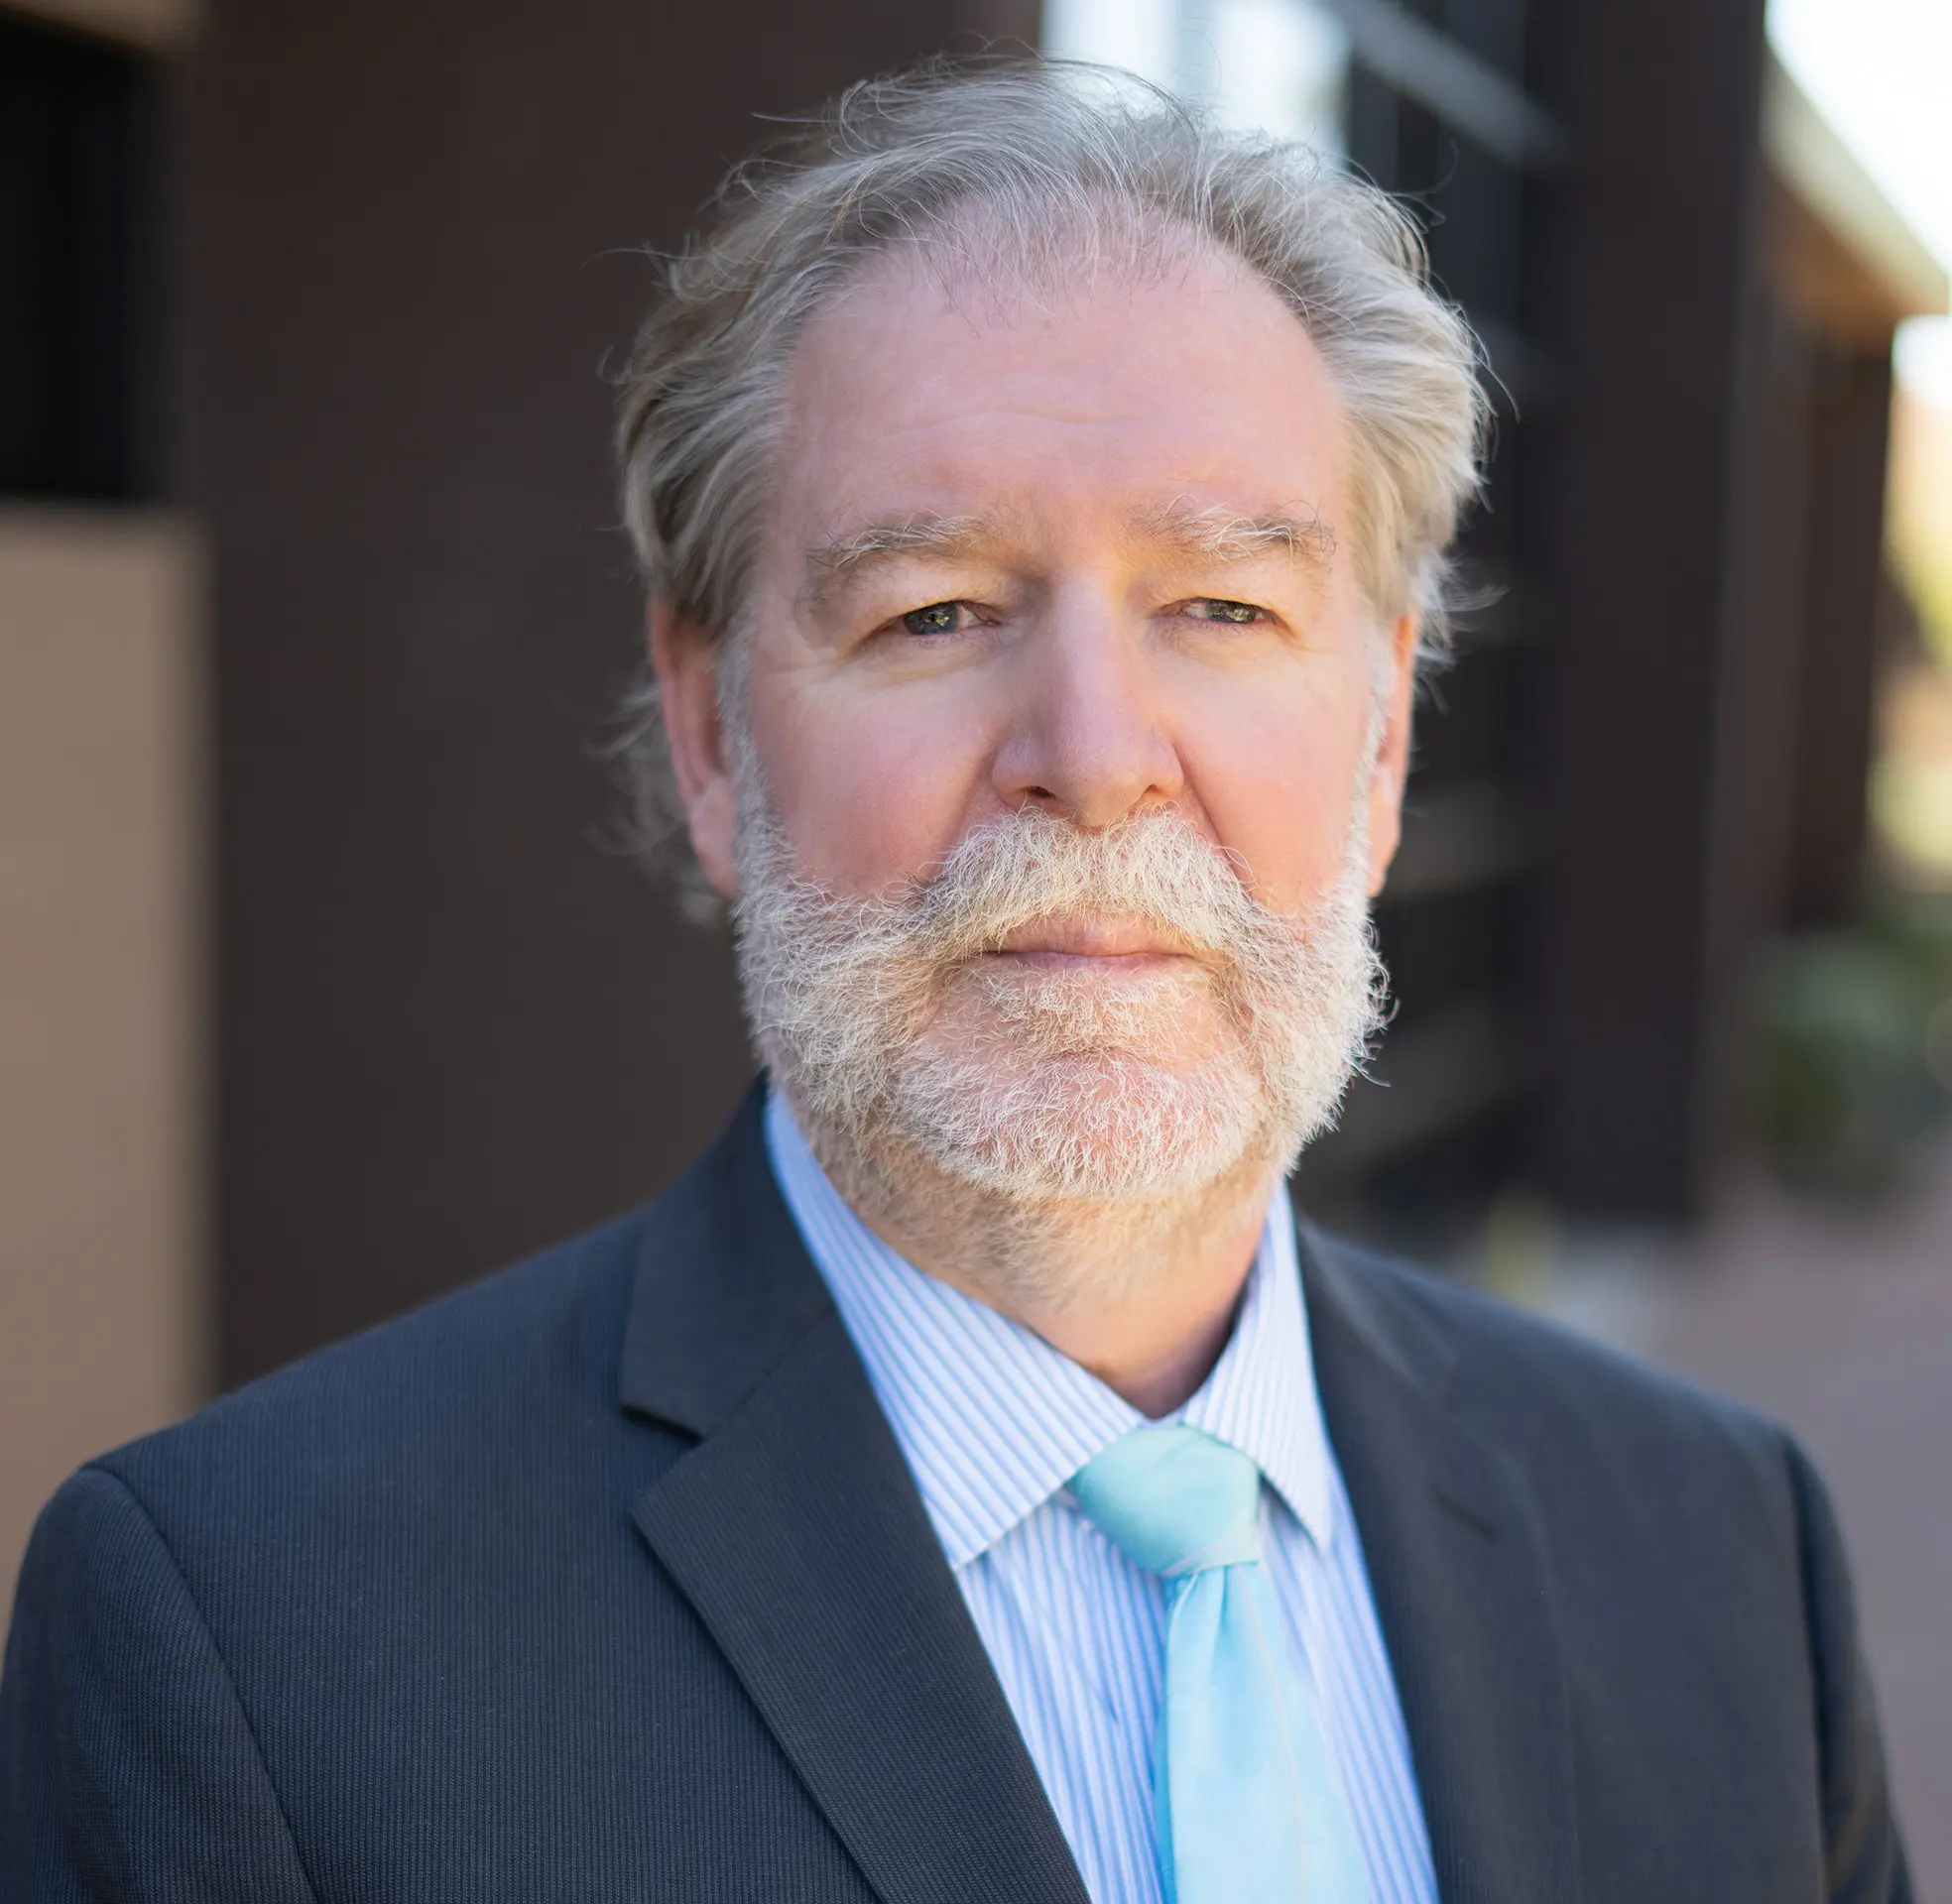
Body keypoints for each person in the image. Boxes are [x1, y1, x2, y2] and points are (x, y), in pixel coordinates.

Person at [0, 60, 1910, 1904]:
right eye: (934, 614)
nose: (1093, 750)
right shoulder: (249, 1643)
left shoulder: (1724, 1553)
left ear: (1389, 742)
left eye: (1224, 607)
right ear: (712, 738)